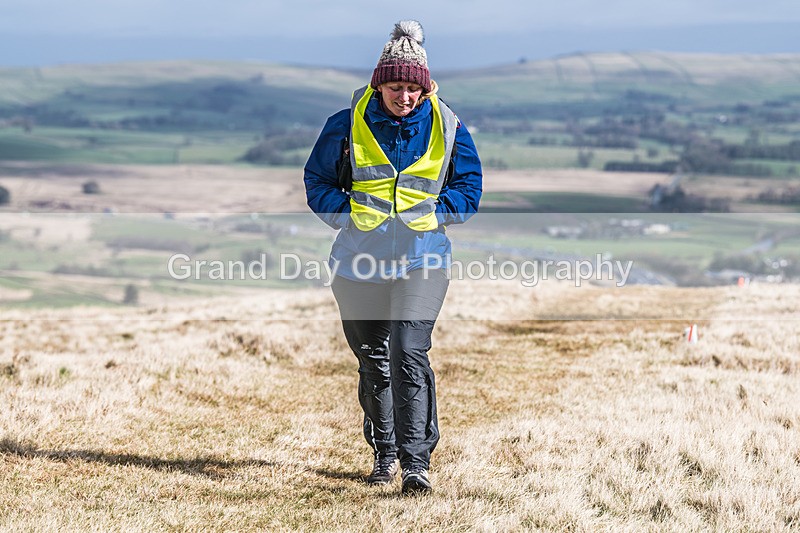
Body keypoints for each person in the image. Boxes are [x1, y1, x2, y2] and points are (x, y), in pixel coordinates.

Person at [304, 20, 482, 495]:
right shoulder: (343, 124)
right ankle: (383, 452)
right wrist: (348, 217)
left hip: (423, 260)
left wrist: (436, 215)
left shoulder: (448, 124)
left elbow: (469, 187)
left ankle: (416, 462)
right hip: (358, 262)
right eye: (395, 86)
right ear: (378, 83)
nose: (404, 97)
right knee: (373, 361)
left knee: (409, 352)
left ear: (424, 89)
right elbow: (316, 183)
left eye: (411, 88)